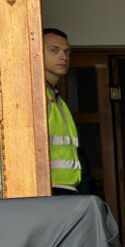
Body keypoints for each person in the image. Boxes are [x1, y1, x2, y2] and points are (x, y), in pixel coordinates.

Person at [43, 28, 83, 195]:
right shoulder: (34, 97)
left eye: (67, 52)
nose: (63, 57)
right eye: (54, 50)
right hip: (45, 188)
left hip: (65, 188)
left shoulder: (58, 100)